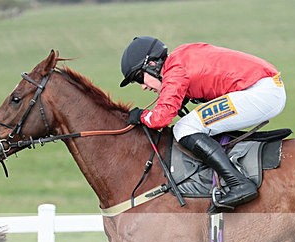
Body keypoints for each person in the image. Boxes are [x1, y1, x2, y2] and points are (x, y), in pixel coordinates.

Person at [120, 36, 286, 211]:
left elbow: (160, 119)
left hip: (260, 92)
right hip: (265, 87)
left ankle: (239, 183)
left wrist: (141, 116)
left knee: (185, 128)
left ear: (152, 65)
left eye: (139, 78)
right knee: (194, 123)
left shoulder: (175, 71)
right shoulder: (180, 57)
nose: (143, 87)